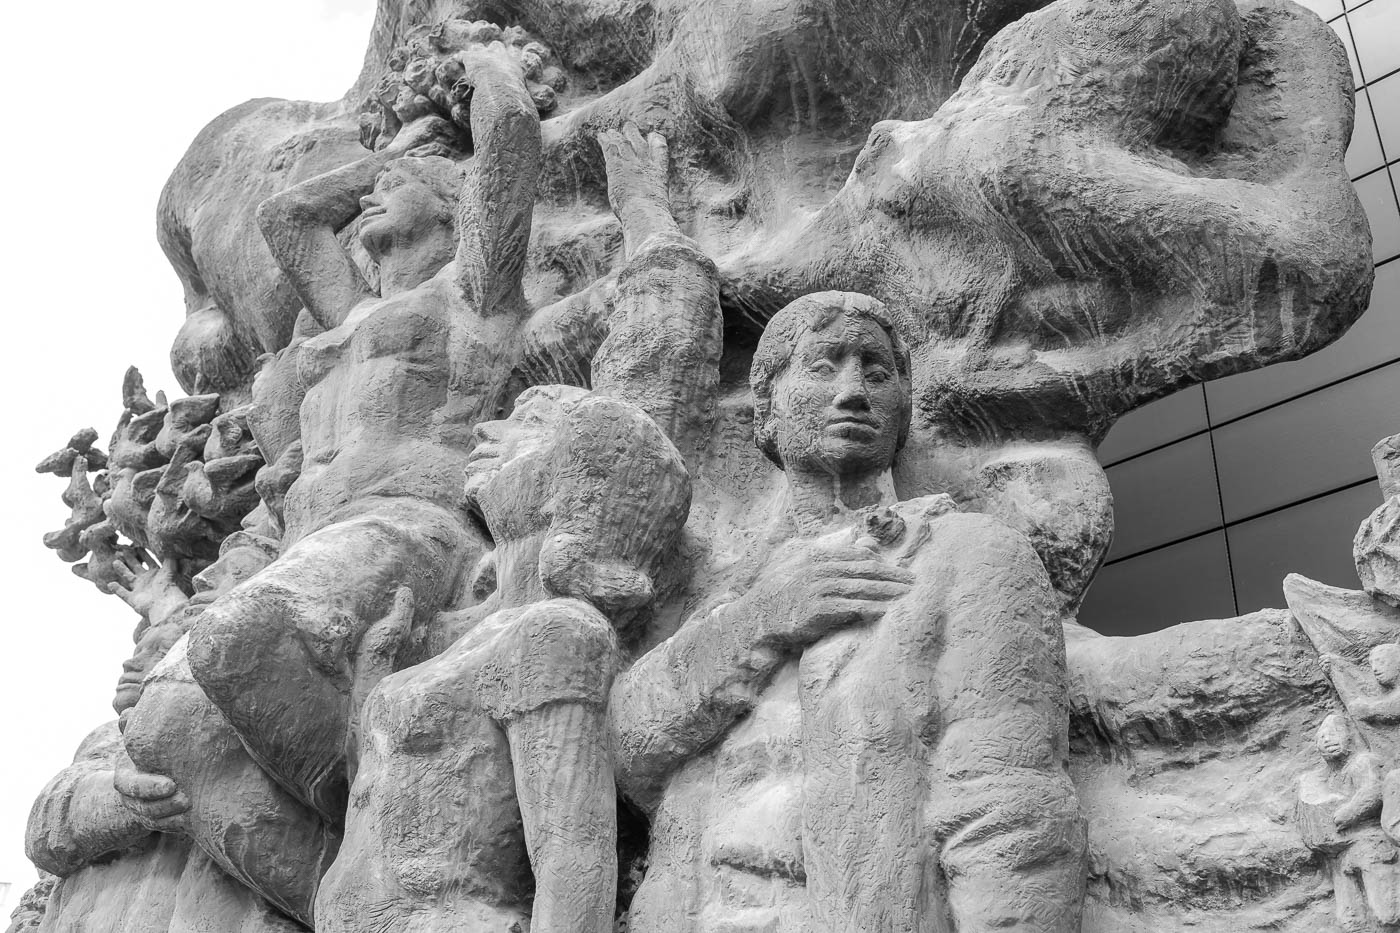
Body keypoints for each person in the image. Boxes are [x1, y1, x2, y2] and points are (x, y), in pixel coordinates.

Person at [316, 125, 721, 932]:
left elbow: (574, 856)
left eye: (528, 423)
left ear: (574, 477)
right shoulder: (462, 632)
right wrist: (374, 681)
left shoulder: (556, 631)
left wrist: (644, 210)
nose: (492, 430)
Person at [613, 292, 1085, 932]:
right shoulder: (730, 590)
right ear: (767, 409)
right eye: (822, 366)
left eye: (877, 372)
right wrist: (764, 619)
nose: (853, 391)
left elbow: (1009, 811)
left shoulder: (967, 554)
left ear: (903, 410)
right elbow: (630, 750)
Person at [1297, 714, 1400, 932]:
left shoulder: (1363, 762)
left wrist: (1348, 813)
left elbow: (1373, 791)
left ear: (1350, 737)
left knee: (1387, 912)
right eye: (1322, 737)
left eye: (1334, 734)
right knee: (1350, 917)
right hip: (1341, 854)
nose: (1327, 740)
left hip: (1370, 845)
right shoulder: (1328, 776)